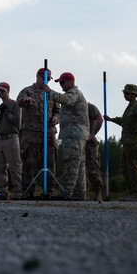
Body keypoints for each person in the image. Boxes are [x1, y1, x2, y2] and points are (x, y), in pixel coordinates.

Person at [16, 68, 59, 198]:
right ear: (37, 76)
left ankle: (49, 190)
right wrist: (26, 100)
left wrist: (56, 118)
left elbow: (58, 109)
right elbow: (20, 101)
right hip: (31, 132)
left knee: (50, 162)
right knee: (29, 162)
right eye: (43, 78)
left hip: (48, 132)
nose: (45, 81)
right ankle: (28, 190)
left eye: (48, 79)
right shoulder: (27, 90)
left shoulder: (50, 93)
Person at [104, 83, 137, 202]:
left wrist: (136, 129)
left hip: (134, 142)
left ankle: (136, 193)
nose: (124, 95)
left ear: (133, 94)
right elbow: (124, 121)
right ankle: (130, 192)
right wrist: (111, 120)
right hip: (127, 142)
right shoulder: (130, 107)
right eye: (124, 93)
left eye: (126, 93)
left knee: (133, 167)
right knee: (125, 168)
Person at [48, 72, 90, 201]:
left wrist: (50, 92)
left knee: (71, 163)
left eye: (62, 82)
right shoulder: (73, 94)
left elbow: (66, 99)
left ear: (71, 82)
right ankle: (79, 193)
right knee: (79, 165)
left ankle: (66, 192)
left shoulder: (74, 93)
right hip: (75, 134)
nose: (61, 85)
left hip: (74, 135)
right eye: (59, 83)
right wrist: (58, 119)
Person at [0, 82, 22, 200]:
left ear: (8, 91)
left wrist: (7, 114)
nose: (0, 93)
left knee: (14, 165)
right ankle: (3, 192)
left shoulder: (15, 105)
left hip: (11, 137)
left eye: (2, 91)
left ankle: (19, 191)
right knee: (0, 166)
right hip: (0, 138)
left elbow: (17, 122)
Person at [85, 102, 104, 202]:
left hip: (89, 143)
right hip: (76, 142)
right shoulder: (70, 107)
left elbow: (100, 120)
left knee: (92, 168)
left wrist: (92, 134)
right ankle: (83, 193)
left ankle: (98, 193)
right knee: (79, 169)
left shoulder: (89, 107)